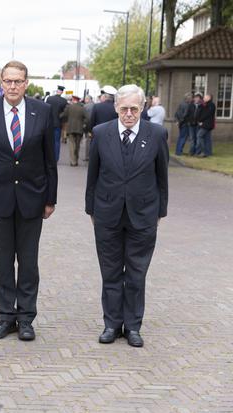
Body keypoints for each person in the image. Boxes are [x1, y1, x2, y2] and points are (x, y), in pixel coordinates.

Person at [0, 60, 58, 341]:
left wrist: (50, 199)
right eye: (7, 81)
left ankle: (26, 318)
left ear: (26, 83)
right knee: (3, 261)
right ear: (1, 82)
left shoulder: (42, 112)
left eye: (17, 81)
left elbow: (50, 159)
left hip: (33, 197)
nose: (12, 86)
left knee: (29, 262)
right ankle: (6, 315)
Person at [85, 84, 168, 348]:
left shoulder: (156, 134)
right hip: (107, 214)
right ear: (116, 108)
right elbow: (93, 176)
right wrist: (92, 210)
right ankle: (111, 324)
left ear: (142, 108)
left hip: (143, 216)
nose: (129, 114)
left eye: (134, 108)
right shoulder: (101, 133)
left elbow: (161, 177)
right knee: (110, 272)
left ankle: (132, 326)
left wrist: (160, 212)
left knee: (136, 273)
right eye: (124, 109)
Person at [60, 95, 86, 166]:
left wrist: (58, 116)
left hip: (70, 128)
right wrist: (84, 125)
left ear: (73, 100)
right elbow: (87, 118)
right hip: (79, 129)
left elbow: (63, 115)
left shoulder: (69, 107)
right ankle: (76, 160)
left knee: (71, 145)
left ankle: (73, 161)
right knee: (77, 146)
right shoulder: (82, 108)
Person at [45, 85, 68, 162]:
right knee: (56, 142)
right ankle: (55, 158)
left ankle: (48, 157)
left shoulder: (49, 98)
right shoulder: (64, 101)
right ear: (62, 92)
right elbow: (65, 113)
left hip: (48, 123)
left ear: (57, 90)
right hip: (58, 123)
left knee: (48, 141)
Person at [195, 93, 215, 158]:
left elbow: (207, 114)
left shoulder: (211, 105)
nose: (203, 98)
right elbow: (200, 112)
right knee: (207, 138)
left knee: (199, 135)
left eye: (205, 97)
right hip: (204, 124)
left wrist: (200, 121)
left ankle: (204, 152)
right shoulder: (204, 105)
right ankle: (208, 152)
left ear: (209, 98)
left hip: (207, 124)